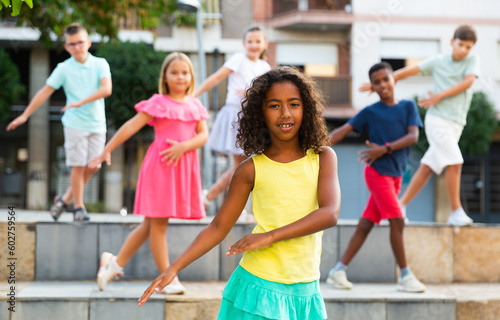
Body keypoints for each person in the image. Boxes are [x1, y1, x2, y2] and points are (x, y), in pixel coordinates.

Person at [138, 67, 340, 320]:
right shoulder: (250, 169)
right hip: (259, 287)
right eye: (274, 106)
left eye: (294, 104)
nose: (285, 113)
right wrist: (173, 268)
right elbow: (218, 227)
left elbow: (329, 213)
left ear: (306, 109)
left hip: (307, 289)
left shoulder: (323, 157)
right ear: (260, 113)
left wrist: (269, 237)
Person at [89, 52, 209, 294]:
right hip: (161, 168)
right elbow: (131, 126)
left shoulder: (195, 104)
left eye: (184, 72)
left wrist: (183, 147)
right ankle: (168, 279)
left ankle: (114, 263)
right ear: (165, 76)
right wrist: (106, 150)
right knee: (159, 225)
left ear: (191, 76)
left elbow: (203, 134)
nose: (180, 77)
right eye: (174, 72)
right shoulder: (158, 102)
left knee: (150, 225)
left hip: (181, 168)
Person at [361, 24, 480, 226]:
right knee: (455, 162)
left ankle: (401, 206)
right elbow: (407, 72)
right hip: (438, 121)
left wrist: (439, 96)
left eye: (468, 47)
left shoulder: (472, 61)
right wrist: (380, 84)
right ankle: (456, 211)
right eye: (461, 45)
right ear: (452, 42)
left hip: (455, 125)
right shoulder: (439, 61)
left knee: (427, 168)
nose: (464, 50)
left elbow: (468, 82)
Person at [327, 62, 426, 293]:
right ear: (372, 87)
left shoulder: (408, 107)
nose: (382, 85)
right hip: (376, 173)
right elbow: (342, 131)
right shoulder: (370, 112)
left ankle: (337, 271)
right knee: (398, 220)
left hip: (396, 175)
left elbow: (413, 136)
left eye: (385, 79)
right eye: (377, 82)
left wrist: (384, 148)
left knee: (366, 224)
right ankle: (405, 276)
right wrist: (315, 143)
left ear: (394, 80)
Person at [6, 23, 112, 222]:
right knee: (78, 166)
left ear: (88, 42)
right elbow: (45, 91)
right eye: (72, 44)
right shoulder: (63, 68)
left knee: (94, 166)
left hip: (97, 123)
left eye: (80, 42)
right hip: (74, 123)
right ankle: (79, 208)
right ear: (66, 47)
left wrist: (81, 101)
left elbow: (106, 89)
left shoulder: (100, 64)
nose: (77, 47)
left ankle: (63, 200)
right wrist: (25, 115)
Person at [193, 25, 270, 209]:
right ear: (244, 43)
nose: (253, 45)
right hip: (236, 115)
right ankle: (215, 199)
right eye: (250, 41)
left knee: (245, 166)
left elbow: (267, 93)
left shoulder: (265, 67)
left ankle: (211, 197)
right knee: (241, 165)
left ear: (265, 44)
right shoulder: (238, 59)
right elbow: (216, 78)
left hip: (254, 119)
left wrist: (251, 92)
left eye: (257, 41)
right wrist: (194, 95)